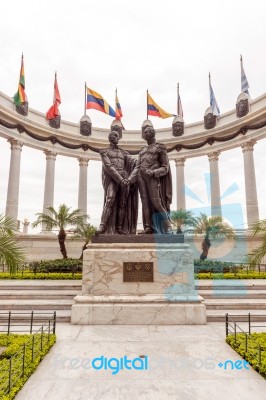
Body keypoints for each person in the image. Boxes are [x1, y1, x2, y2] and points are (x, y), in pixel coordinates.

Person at [97, 131, 138, 234]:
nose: (116, 137)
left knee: (123, 203)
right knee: (109, 199)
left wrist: (142, 161)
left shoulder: (124, 153)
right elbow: (108, 167)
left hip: (124, 178)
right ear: (109, 138)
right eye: (114, 136)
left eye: (117, 136)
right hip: (113, 179)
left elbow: (133, 162)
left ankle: (119, 227)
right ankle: (103, 225)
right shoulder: (104, 152)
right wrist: (120, 180)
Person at [136, 127, 172, 234]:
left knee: (157, 202)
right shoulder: (142, 150)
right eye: (144, 132)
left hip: (152, 177)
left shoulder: (160, 147)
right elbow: (137, 166)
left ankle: (168, 227)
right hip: (141, 177)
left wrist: (153, 172)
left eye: (147, 132)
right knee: (145, 203)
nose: (145, 133)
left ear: (153, 133)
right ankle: (148, 227)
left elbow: (165, 167)